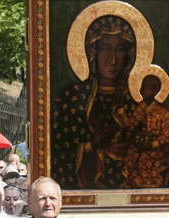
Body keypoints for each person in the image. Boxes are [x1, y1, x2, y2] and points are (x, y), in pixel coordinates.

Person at [52, 15, 138, 189]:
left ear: (129, 55)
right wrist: (90, 147)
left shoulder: (137, 100)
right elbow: (58, 151)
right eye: (105, 49)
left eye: (120, 49)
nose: (112, 60)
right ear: (92, 52)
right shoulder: (72, 97)